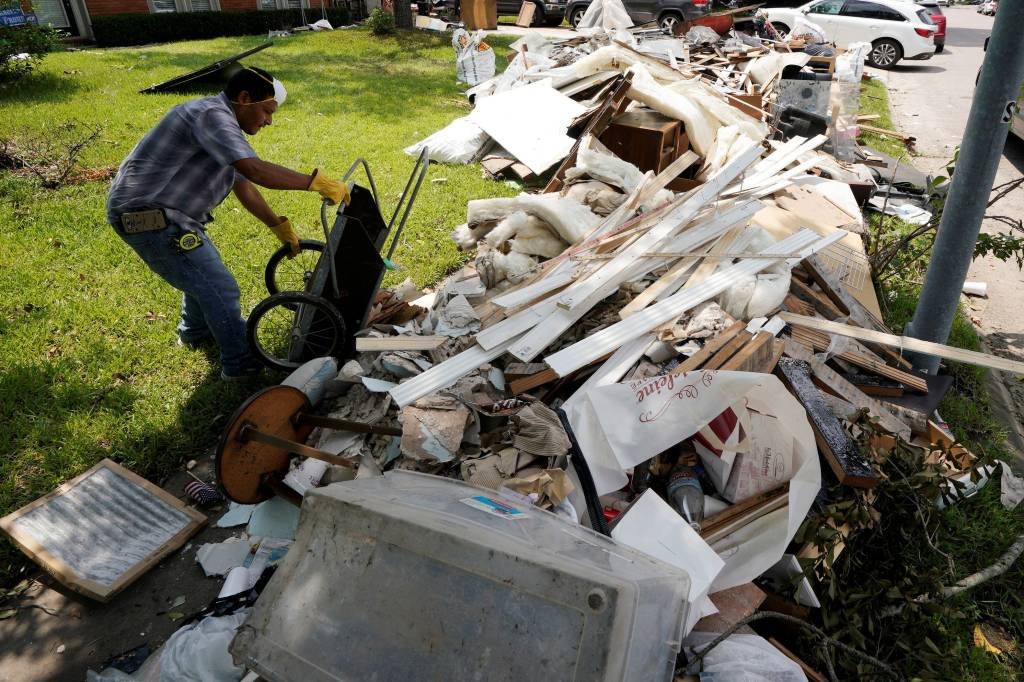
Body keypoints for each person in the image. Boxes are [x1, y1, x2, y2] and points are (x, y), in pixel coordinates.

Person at [106, 66, 348, 380]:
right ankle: (241, 366)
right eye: (266, 111)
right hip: (149, 218)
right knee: (218, 287)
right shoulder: (211, 116)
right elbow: (257, 171)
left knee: (199, 275)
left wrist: (277, 225)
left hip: (170, 215)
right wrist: (315, 182)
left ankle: (194, 334)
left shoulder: (220, 123)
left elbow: (243, 182)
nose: (269, 120)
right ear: (244, 98)